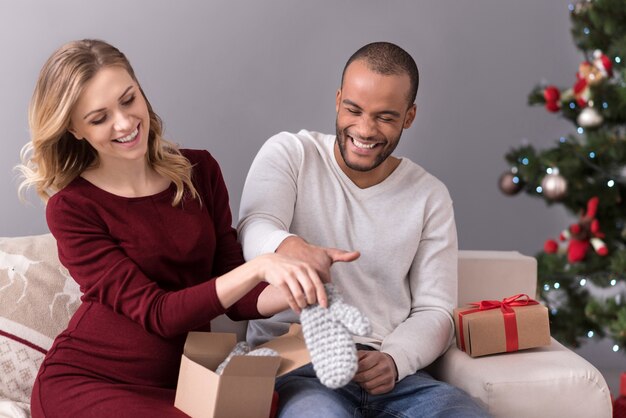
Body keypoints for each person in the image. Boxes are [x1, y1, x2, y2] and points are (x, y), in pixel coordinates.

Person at [16, 39, 336, 418]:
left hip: (179, 383)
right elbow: (159, 313)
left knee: (262, 405)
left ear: (140, 89)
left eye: (128, 99)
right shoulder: (72, 208)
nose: (124, 122)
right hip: (89, 383)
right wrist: (260, 267)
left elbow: (236, 296)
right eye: (99, 118)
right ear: (74, 129)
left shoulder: (200, 171)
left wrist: (302, 282)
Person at [238, 42, 490, 417]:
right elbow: (254, 228)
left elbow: (435, 310)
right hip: (299, 367)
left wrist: (395, 359)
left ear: (409, 116)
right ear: (338, 100)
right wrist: (292, 247)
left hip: (395, 376)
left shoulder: (430, 196)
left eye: (385, 117)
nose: (365, 129)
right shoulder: (290, 154)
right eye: (353, 110)